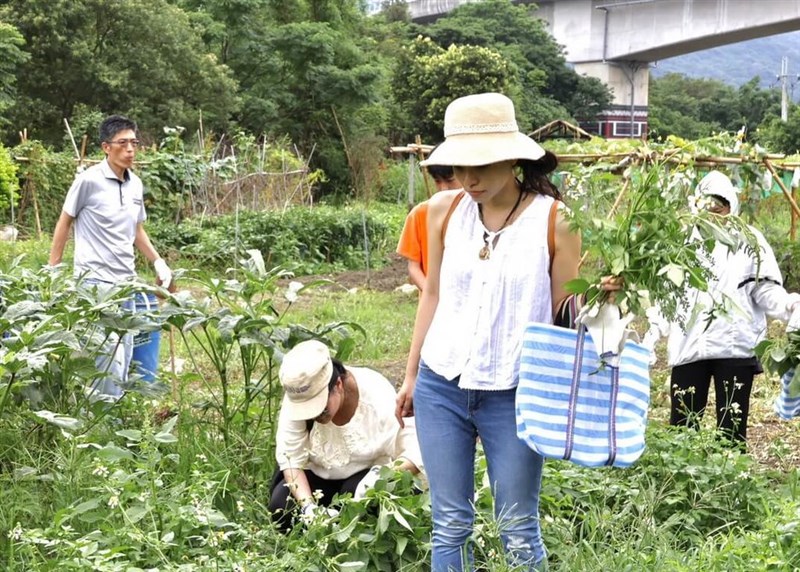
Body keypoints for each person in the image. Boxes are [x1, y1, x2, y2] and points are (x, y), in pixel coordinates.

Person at [394, 92, 610, 572]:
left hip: (514, 389)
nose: (469, 179)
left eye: (483, 166)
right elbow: (432, 296)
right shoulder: (441, 211)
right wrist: (411, 376)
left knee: (517, 525)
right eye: (459, 165)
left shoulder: (555, 219)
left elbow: (563, 309)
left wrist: (600, 296)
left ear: (514, 157)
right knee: (449, 522)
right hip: (441, 383)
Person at [662, 170, 800, 443]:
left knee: (732, 429)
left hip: (735, 346)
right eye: (707, 203)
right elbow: (664, 290)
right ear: (697, 203)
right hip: (690, 345)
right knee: (682, 429)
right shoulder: (680, 239)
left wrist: (789, 305)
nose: (713, 210)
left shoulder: (749, 240)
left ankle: (729, 483)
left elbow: (764, 288)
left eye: (720, 204)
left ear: (731, 205)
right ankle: (681, 482)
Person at [49, 115, 172, 399]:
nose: (130, 149)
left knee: (125, 351)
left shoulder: (135, 185)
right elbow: (64, 222)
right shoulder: (88, 181)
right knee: (105, 356)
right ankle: (100, 417)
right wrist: (52, 270)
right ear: (106, 147)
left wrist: (157, 260)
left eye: (134, 143)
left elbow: (136, 229)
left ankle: (113, 416)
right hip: (95, 283)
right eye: (123, 143)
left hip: (126, 282)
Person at [269, 339, 423, 532]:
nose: (314, 416)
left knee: (360, 507)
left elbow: (417, 452)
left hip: (363, 478)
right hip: (315, 475)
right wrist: (309, 508)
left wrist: (382, 478)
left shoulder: (377, 395)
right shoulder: (298, 395)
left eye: (321, 408)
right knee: (282, 508)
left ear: (339, 384)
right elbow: (291, 460)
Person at [396, 161, 462, 290]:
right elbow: (414, 267)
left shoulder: (480, 213)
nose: (444, 188)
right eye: (438, 181)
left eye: (450, 180)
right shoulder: (419, 214)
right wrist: (432, 294)